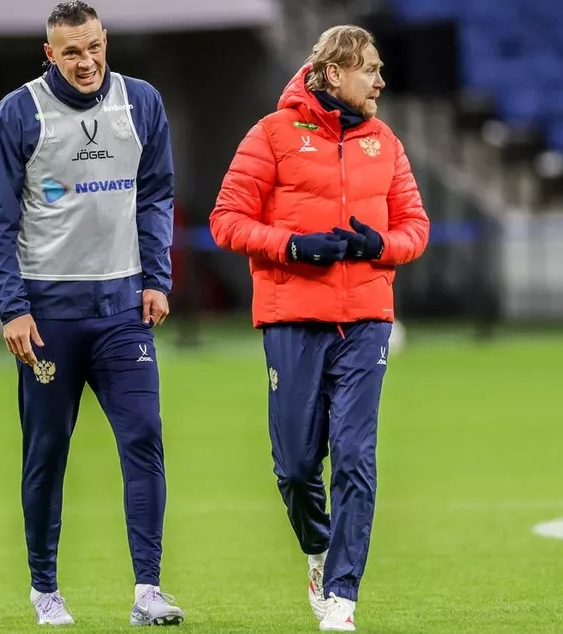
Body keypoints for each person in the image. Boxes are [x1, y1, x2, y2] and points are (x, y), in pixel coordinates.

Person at [209, 25, 430, 632]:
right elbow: (226, 220)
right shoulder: (271, 134)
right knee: (296, 467)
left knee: (355, 457)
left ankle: (342, 594)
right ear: (334, 73)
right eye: (370, 70)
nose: (381, 81)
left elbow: (415, 228)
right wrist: (293, 246)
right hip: (292, 320)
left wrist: (378, 245)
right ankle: (317, 549)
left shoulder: (385, 142)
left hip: (366, 322)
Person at [0, 1, 183, 627]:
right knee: (46, 453)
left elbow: (156, 194)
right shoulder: (19, 113)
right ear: (50, 54)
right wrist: (12, 308)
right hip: (48, 318)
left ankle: (148, 591)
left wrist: (157, 277)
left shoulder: (141, 102)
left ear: (105, 40)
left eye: (93, 46)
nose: (86, 61)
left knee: (143, 437)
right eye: (71, 51)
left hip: (122, 311)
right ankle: (46, 591)